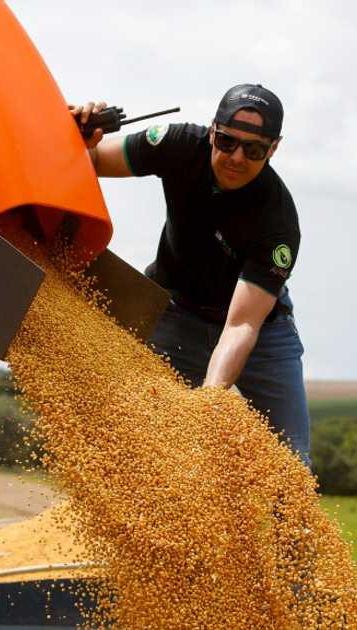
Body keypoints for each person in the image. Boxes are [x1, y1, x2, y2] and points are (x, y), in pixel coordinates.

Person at [72, 84, 311, 468]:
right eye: (228, 141)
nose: (236, 157)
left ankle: (292, 529)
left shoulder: (277, 221)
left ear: (273, 149)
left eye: (253, 150)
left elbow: (240, 326)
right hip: (176, 312)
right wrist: (80, 134)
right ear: (212, 130)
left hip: (260, 331)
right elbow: (95, 161)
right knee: (145, 440)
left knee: (293, 463)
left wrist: (210, 400)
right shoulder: (179, 144)